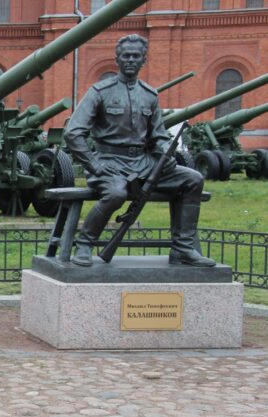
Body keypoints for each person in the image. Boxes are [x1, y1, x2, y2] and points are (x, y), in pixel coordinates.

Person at [64, 34, 216, 268]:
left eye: (136, 56)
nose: (131, 60)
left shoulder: (149, 95)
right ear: (117, 59)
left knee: (193, 179)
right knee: (116, 194)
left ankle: (184, 248)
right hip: (109, 162)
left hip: (145, 164)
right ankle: (84, 243)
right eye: (126, 56)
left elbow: (159, 135)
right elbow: (73, 132)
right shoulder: (100, 92)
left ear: (144, 60)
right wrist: (94, 164)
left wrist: (167, 154)